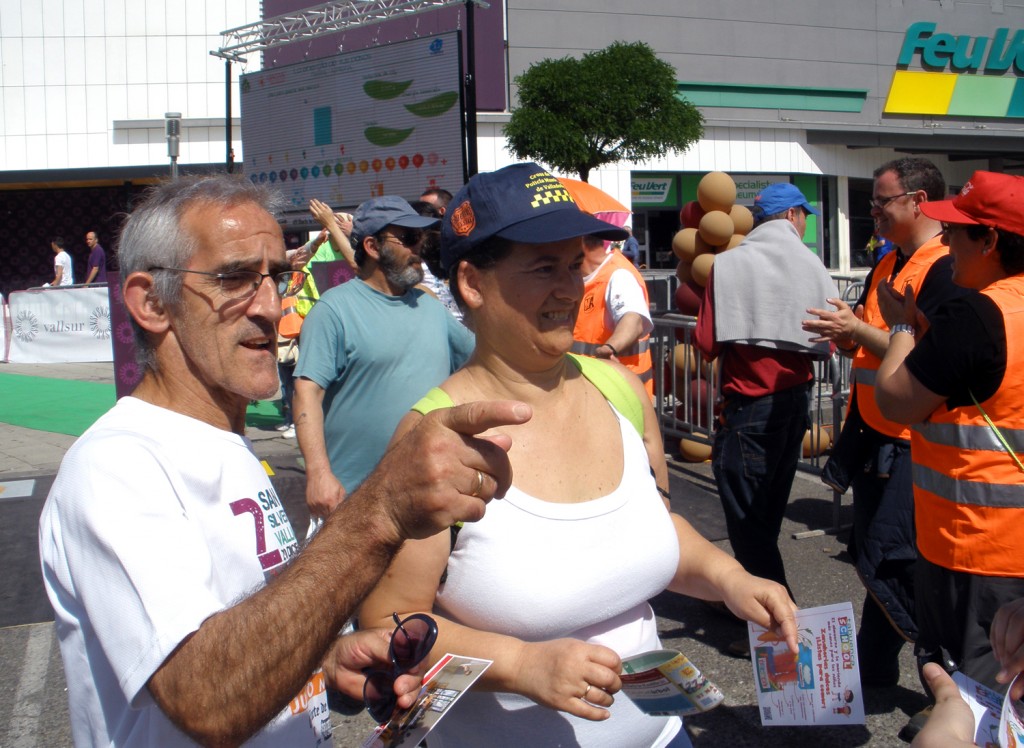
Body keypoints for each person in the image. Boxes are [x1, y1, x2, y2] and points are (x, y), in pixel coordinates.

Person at [38, 175, 525, 747]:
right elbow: (209, 696)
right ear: (151, 302)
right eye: (235, 278)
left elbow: (237, 634)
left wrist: (322, 664)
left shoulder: (224, 443)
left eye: (277, 277)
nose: (272, 307)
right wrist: (381, 510)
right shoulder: (117, 466)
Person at [358, 162, 799, 748]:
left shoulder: (618, 388)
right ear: (472, 283)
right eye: (544, 267)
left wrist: (729, 577)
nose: (571, 288)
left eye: (574, 265)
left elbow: (650, 525)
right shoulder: (437, 439)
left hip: (667, 736)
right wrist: (520, 664)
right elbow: (387, 624)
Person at [803, 157, 968, 690]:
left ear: (919, 202)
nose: (872, 211)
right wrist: (846, 333)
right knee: (880, 557)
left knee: (887, 558)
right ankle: (874, 670)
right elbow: (882, 339)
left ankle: (952, 677)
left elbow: (924, 355)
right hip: (877, 433)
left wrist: (860, 330)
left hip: (913, 440)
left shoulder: (944, 266)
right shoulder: (889, 262)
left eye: (881, 201)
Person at [875, 171, 1024, 695]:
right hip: (1005, 553)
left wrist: (901, 328)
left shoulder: (978, 316)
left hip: (975, 550)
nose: (946, 241)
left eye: (958, 232)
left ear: (990, 240)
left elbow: (895, 400)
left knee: (976, 697)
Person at [693, 182, 838, 637]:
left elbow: (706, 341)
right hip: (794, 406)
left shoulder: (729, 264)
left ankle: (771, 623)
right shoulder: (812, 264)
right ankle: (752, 608)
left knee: (748, 525)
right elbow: (828, 338)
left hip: (748, 410)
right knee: (765, 517)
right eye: (805, 216)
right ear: (792, 215)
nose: (806, 223)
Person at [294, 196, 475, 520]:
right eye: (407, 238)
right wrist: (319, 474)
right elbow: (308, 392)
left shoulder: (430, 306)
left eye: (420, 238)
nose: (418, 248)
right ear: (372, 247)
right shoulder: (334, 310)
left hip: (430, 496)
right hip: (354, 502)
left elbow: (480, 359)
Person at [572, 234, 654, 397]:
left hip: (620, 394)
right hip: (595, 388)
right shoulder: (584, 279)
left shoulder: (618, 275)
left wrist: (610, 348)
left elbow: (633, 320)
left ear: (580, 244)